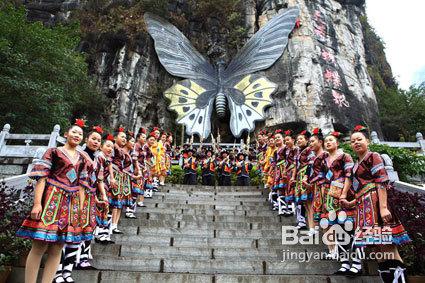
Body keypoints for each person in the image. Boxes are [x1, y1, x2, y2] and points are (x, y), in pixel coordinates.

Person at [16, 119, 89, 283]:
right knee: (39, 246)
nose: (77, 135)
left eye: (80, 134)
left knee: (57, 248)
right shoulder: (53, 152)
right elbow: (41, 178)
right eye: (74, 132)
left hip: (70, 203)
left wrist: (80, 210)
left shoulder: (83, 160)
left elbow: (82, 186)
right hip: (51, 200)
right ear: (66, 134)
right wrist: (37, 203)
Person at [347, 125, 411, 281]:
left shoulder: (373, 156)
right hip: (363, 207)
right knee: (378, 249)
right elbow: (359, 188)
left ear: (367, 141)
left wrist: (383, 208)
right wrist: (352, 202)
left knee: (388, 245)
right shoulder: (355, 165)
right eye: (353, 141)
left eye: (359, 139)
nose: (356, 142)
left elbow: (381, 182)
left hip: (376, 203)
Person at [109, 127, 130, 234]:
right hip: (114, 175)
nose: (124, 139)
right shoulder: (112, 147)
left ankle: (114, 225)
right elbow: (109, 162)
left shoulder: (122, 150)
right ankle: (109, 225)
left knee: (119, 201)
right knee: (113, 201)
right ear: (115, 137)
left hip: (121, 176)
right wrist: (111, 177)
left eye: (125, 138)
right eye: (122, 137)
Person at [294, 130, 315, 230]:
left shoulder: (309, 150)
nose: (298, 141)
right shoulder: (299, 151)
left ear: (307, 140)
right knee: (305, 202)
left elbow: (311, 163)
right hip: (300, 176)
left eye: (301, 139)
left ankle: (313, 226)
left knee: (309, 202)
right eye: (297, 139)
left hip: (306, 175)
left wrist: (307, 176)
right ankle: (310, 225)